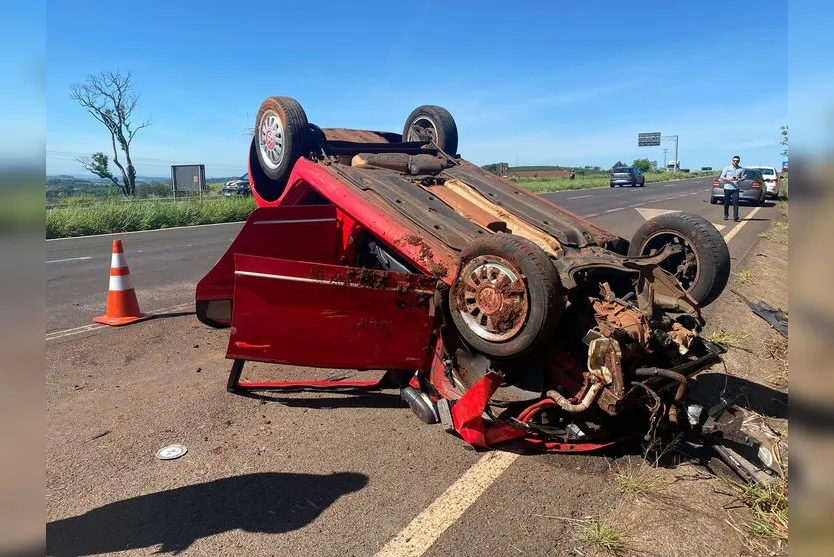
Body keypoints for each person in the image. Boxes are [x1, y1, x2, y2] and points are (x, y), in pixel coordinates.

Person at [719, 155, 744, 222]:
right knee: (726, 202)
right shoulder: (727, 168)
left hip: (735, 188)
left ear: (739, 162)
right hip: (727, 188)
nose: (735, 162)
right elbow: (722, 177)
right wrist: (729, 179)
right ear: (732, 161)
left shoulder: (741, 169)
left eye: (737, 161)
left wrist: (740, 179)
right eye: (734, 161)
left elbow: (743, 177)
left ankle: (736, 217)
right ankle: (726, 215)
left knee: (735, 203)